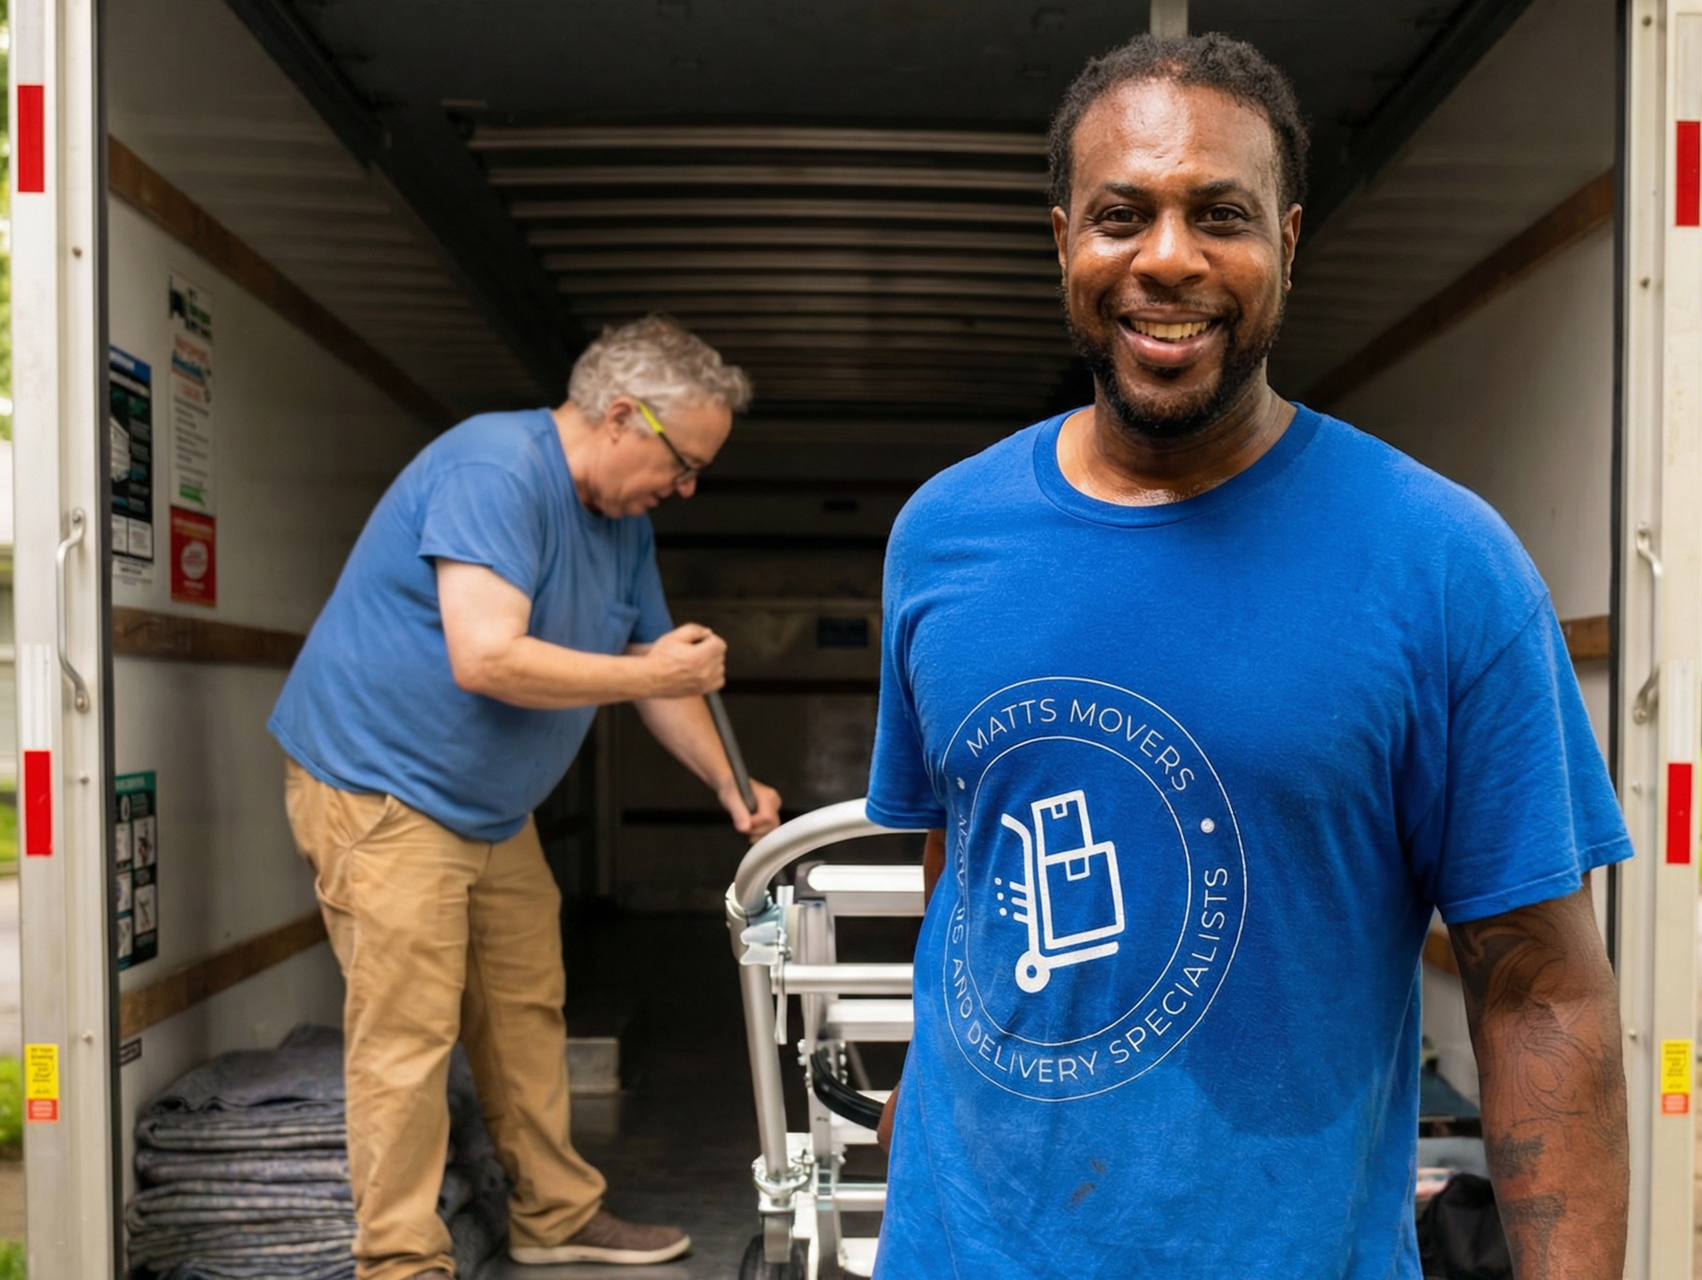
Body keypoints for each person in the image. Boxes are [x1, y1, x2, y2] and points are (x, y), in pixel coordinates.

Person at [866, 33, 1630, 1280]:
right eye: (1123, 214)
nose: (1167, 257)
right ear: (1064, 239)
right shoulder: (942, 534)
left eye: (1217, 213)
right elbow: (968, 858)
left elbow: (1542, 995)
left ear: (1285, 235)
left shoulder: (1442, 563)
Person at [269, 316, 782, 1279]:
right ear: (625, 416)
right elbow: (487, 655)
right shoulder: (493, 471)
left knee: (524, 1010)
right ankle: (401, 1262)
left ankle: (554, 1216)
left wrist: (729, 783)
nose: (687, 488)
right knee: (408, 1037)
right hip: (383, 788)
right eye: (684, 464)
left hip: (491, 809)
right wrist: (653, 675)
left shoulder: (622, 523)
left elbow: (657, 670)